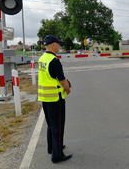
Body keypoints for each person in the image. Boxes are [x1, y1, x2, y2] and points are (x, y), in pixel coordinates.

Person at [38, 35, 72, 163]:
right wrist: (68, 90)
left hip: (45, 97)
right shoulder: (54, 60)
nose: (59, 46)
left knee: (51, 124)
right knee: (58, 126)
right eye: (58, 44)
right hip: (55, 98)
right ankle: (57, 155)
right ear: (53, 45)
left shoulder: (42, 58)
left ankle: (52, 147)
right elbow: (63, 81)